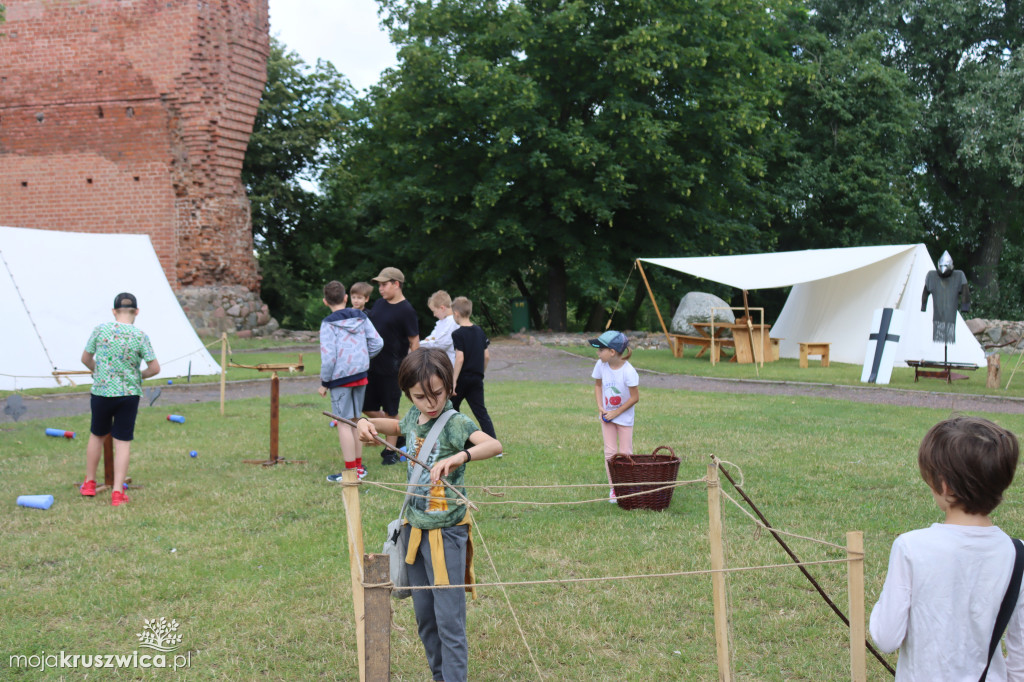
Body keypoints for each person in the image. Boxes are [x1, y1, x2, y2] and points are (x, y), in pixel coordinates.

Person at [357, 348, 502, 682]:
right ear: (408, 393)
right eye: (419, 396)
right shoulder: (414, 415)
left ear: (449, 387)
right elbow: (396, 424)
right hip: (413, 530)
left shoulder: (455, 423)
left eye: (436, 393)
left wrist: (460, 457)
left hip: (445, 535)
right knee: (425, 618)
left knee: (449, 620)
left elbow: (492, 445)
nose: (429, 403)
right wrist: (366, 422)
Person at [869, 416, 1024, 680]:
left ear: (943, 485)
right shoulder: (1017, 553)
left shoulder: (910, 547)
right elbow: (1020, 653)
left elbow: (886, 637)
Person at [79, 292, 160, 506]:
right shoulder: (140, 336)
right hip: (128, 394)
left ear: (114, 311)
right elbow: (154, 368)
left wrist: (99, 371)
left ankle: (89, 483)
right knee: (122, 442)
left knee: (97, 435)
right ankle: (117, 492)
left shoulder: (100, 330)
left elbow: (85, 358)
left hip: (101, 392)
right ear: (137, 312)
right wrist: (138, 375)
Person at [318, 281, 383, 483]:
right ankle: (359, 467)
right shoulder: (361, 316)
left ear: (325, 301)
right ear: (346, 298)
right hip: (361, 374)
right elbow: (378, 342)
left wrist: (324, 382)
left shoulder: (328, 324)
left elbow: (329, 358)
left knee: (344, 424)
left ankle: (350, 473)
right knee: (356, 421)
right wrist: (362, 359)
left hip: (340, 379)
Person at [363, 267, 420, 464]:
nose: (380, 289)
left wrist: (414, 368)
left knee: (391, 410)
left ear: (396, 284)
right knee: (366, 407)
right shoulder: (378, 304)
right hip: (370, 367)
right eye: (379, 285)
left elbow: (414, 342)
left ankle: (390, 451)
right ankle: (397, 431)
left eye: (384, 284)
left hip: (393, 369)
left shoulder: (407, 310)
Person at [590, 330, 639, 504]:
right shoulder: (600, 365)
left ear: (612, 352)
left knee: (625, 453)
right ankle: (614, 489)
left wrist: (616, 412)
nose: (597, 352)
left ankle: (627, 487)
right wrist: (601, 407)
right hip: (607, 417)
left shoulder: (629, 371)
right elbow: (598, 386)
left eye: (600, 349)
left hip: (623, 418)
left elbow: (635, 398)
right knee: (610, 452)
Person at [451, 296, 498, 449]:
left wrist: (453, 381)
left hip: (462, 379)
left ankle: (458, 441)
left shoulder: (458, 334)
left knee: (451, 410)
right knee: (481, 412)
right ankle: (493, 445)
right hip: (477, 378)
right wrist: (480, 374)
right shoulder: (479, 331)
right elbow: (487, 356)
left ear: (456, 313)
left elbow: (459, 358)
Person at [419, 290, 458, 367]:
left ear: (442, 308)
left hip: (452, 365)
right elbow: (432, 337)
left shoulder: (452, 322)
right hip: (443, 363)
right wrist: (426, 341)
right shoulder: (441, 322)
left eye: (434, 311)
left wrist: (418, 344)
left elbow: (440, 345)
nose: (434, 315)